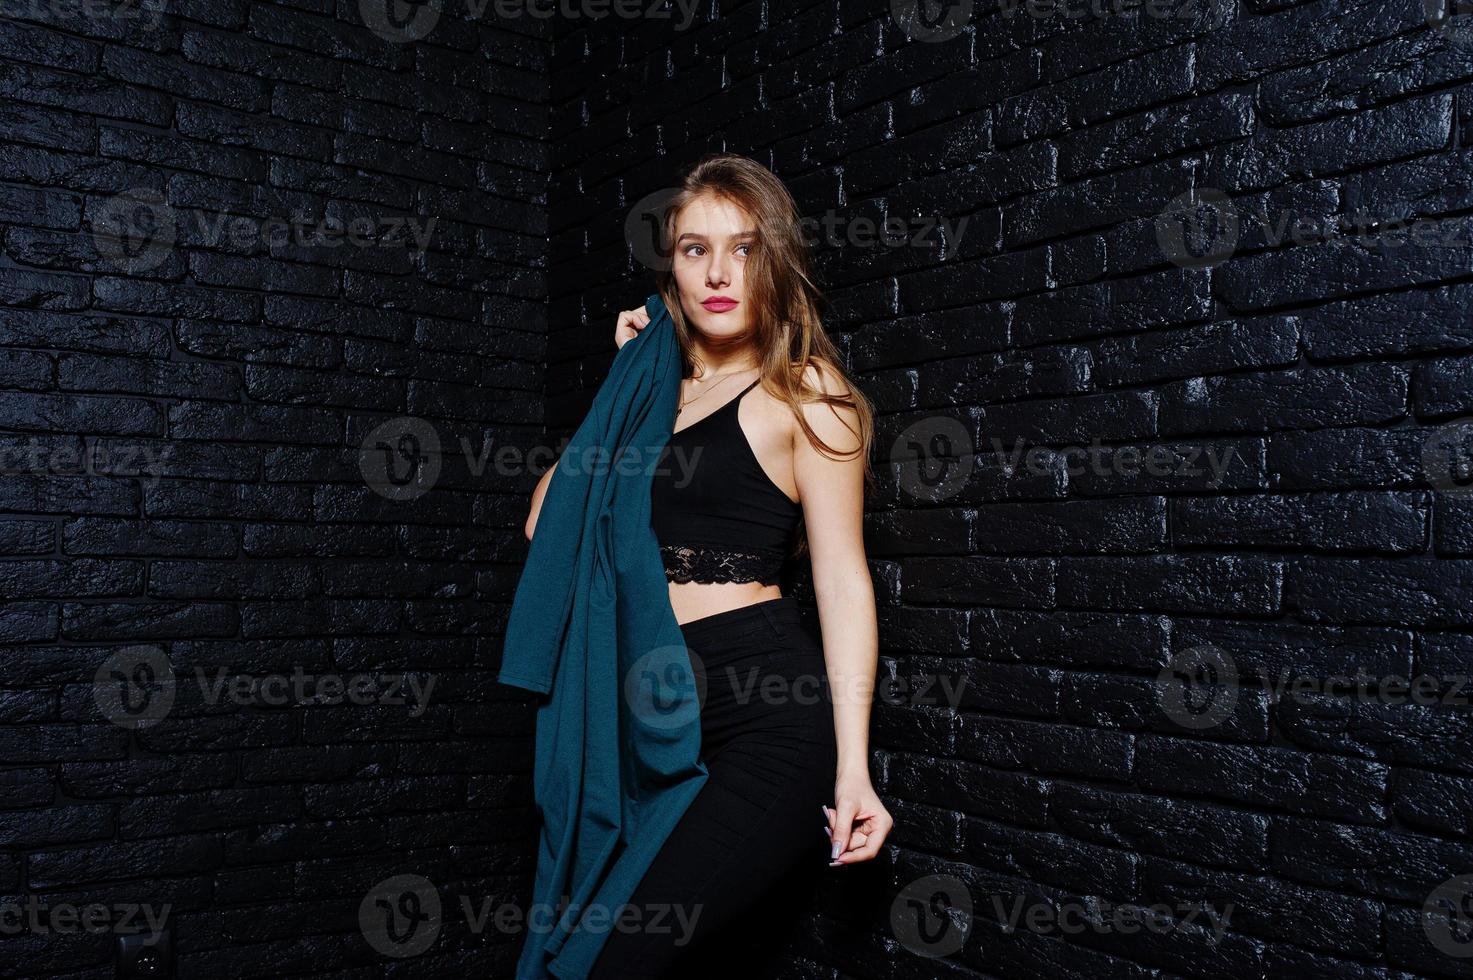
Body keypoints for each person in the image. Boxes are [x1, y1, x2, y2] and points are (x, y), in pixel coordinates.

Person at [523, 152, 893, 978]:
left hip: (762, 710)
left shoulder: (808, 392)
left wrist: (852, 767)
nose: (720, 272)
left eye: (746, 248)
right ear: (672, 269)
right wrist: (626, 380)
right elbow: (547, 525)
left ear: (776, 261)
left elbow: (839, 580)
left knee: (621, 962)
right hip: (640, 705)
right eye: (695, 249)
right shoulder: (653, 389)